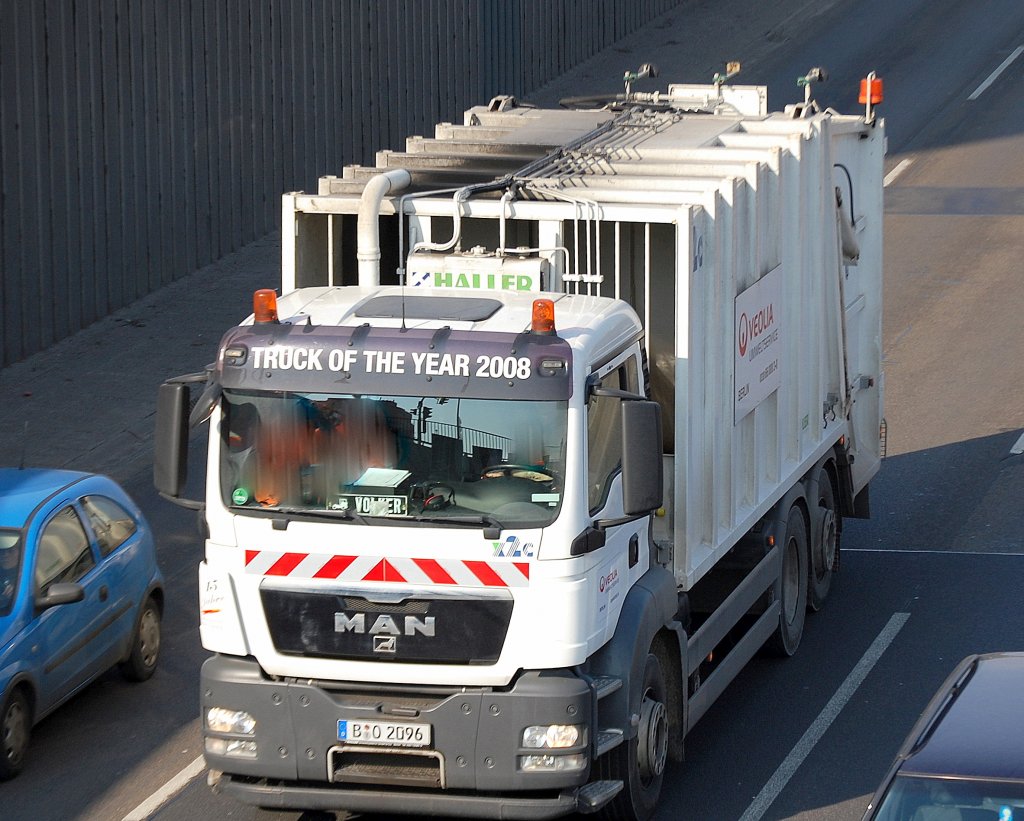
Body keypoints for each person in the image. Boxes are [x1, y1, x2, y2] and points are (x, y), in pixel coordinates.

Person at [0, 540, 21, 614]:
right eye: (2, 550)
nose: (5, 555)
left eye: (10, 550)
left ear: (20, 552)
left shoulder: (25, 577)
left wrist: (16, 595)